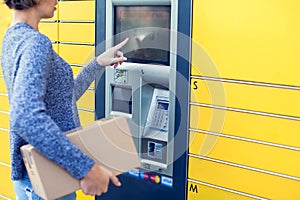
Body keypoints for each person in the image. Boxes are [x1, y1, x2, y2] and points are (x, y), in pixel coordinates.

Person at [1, 0, 129, 199]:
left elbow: (61, 100)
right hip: (47, 179)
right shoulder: (36, 43)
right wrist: (86, 169)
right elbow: (26, 117)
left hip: (35, 178)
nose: (57, 0)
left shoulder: (13, 37)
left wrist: (97, 64)